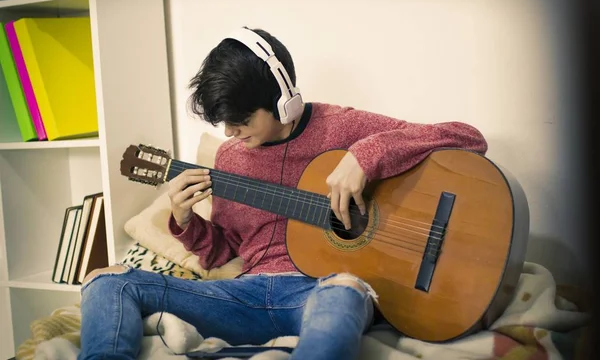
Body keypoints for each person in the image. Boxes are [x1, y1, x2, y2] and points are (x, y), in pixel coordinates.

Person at [78, 27, 488, 360]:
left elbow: (466, 138)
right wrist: (185, 222)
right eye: (224, 123)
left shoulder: (339, 129)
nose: (230, 133)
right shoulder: (230, 157)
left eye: (240, 119)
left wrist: (366, 156)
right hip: (245, 294)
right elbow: (224, 252)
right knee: (105, 281)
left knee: (344, 292)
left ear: (282, 100)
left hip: (325, 290)